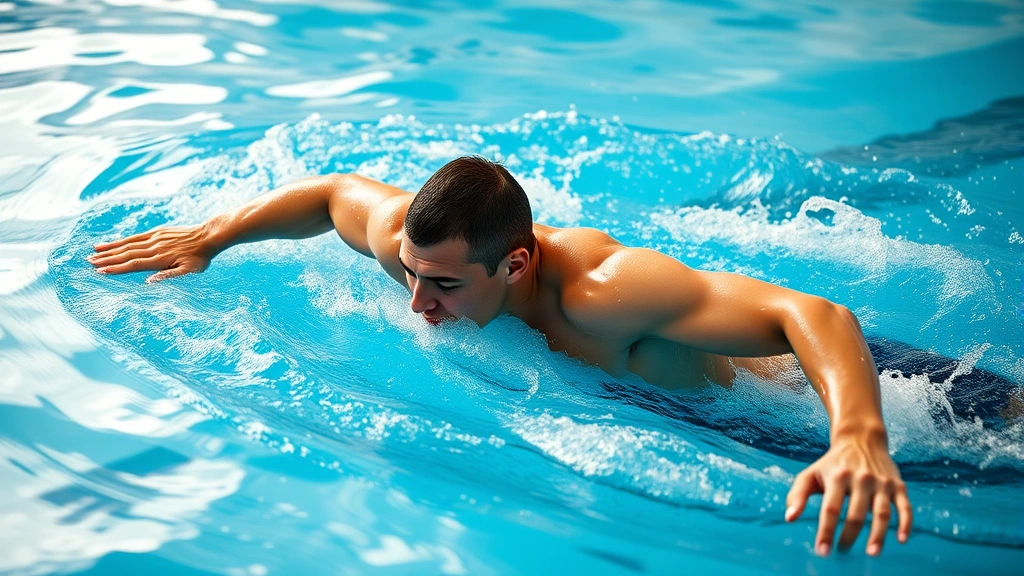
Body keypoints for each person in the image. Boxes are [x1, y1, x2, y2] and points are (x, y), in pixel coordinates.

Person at [89, 155, 912, 557]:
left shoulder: (604, 293)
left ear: (515, 263)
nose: (418, 304)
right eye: (412, 274)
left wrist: (859, 437)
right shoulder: (419, 249)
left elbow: (815, 313)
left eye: (441, 286)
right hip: (672, 404)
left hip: (815, 401)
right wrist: (212, 238)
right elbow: (333, 193)